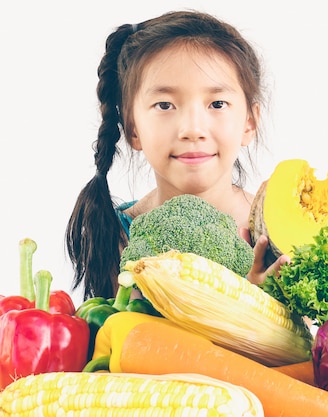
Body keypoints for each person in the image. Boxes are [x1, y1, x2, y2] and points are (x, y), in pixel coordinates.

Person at [66, 10, 288, 301]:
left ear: (249, 122)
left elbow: (312, 340)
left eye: (217, 103)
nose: (193, 129)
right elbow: (122, 339)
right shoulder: (118, 236)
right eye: (165, 105)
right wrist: (239, 303)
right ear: (132, 128)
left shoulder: (277, 235)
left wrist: (268, 308)